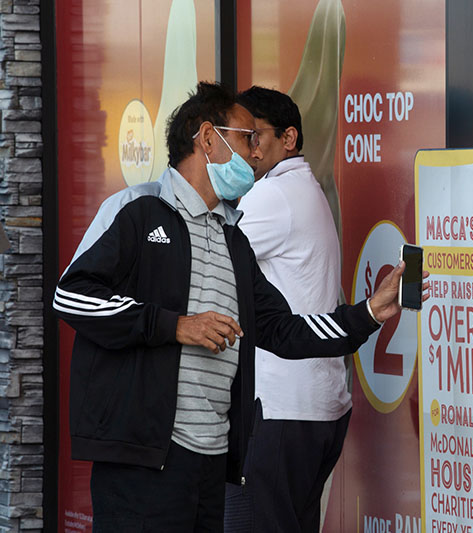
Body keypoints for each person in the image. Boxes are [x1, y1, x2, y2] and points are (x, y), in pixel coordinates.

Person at [52, 81, 418, 531]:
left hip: (214, 462)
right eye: (247, 139)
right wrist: (175, 325)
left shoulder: (234, 240)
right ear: (208, 138)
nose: (256, 154)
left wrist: (368, 314)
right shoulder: (136, 209)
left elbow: (282, 330)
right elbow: (71, 296)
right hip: (142, 461)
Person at [223, 86, 348, 532]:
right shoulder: (302, 189)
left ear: (288, 138)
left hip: (280, 407)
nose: (245, 150)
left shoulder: (272, 195)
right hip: (312, 406)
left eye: (253, 136)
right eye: (237, 137)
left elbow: (206, 258)